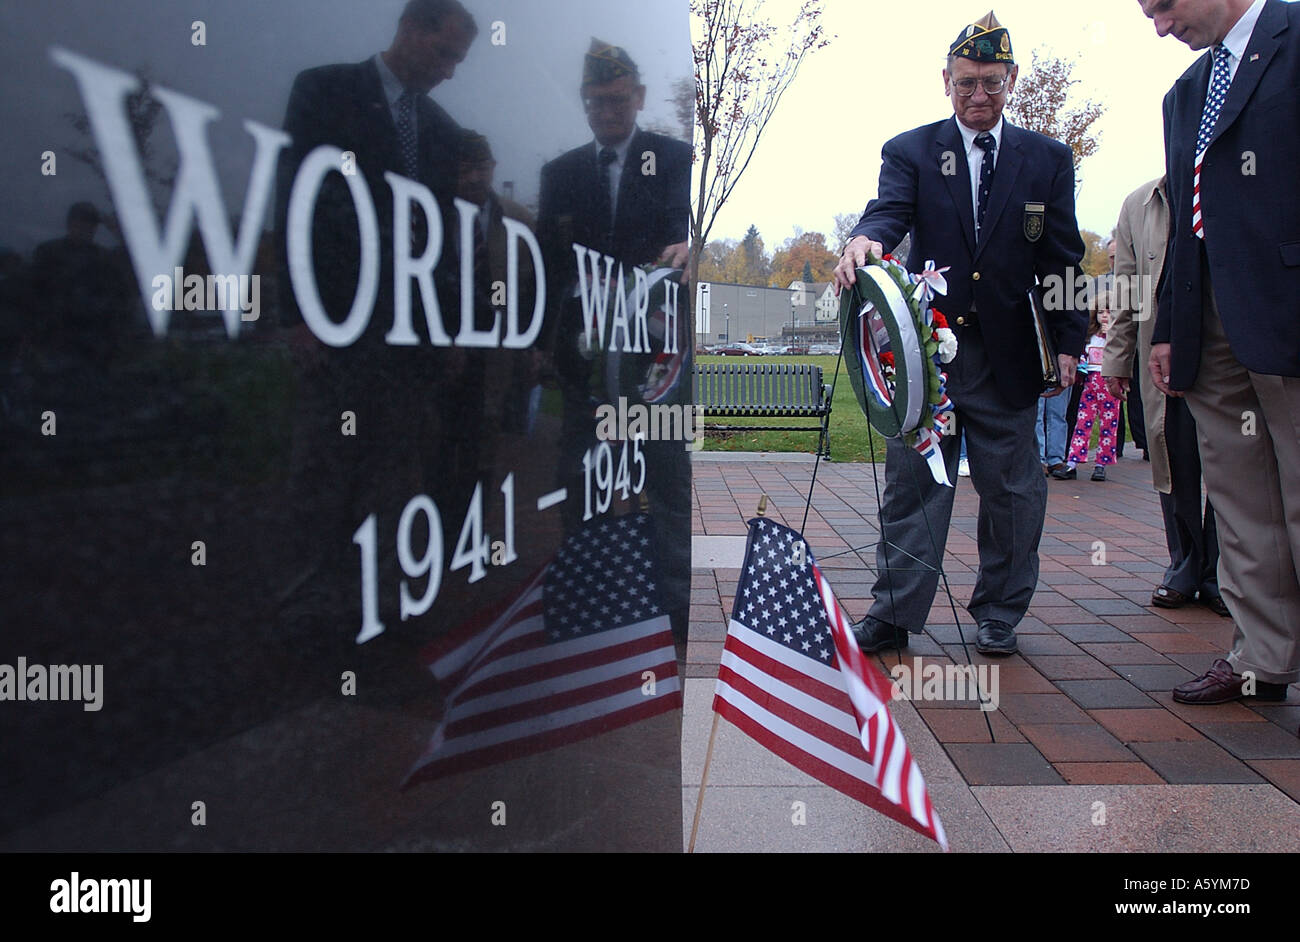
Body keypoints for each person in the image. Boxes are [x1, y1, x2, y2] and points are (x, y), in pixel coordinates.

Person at [833, 11, 1085, 656]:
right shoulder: (910, 151)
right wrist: (866, 240)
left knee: (1013, 491)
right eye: (967, 83)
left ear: (1013, 80)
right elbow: (889, 212)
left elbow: (1061, 259)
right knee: (915, 486)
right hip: (929, 355)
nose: (979, 97)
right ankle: (893, 613)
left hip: (1011, 358)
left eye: (992, 84)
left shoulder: (1049, 160)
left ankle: (999, 612)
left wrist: (1066, 343)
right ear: (945, 80)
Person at [1139, 0, 1299, 705]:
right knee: (1239, 502)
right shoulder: (1185, 93)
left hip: (1286, 312)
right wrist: (1170, 326)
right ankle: (1262, 657)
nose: (1161, 28)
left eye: (1165, 7)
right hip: (1210, 326)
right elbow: (1184, 221)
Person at [536, 39, 694, 644]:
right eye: (595, 102)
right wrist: (538, 342)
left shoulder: (676, 158)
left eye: (618, 100)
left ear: (640, 97)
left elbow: (694, 231)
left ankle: (672, 620)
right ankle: (586, 607)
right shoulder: (562, 173)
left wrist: (694, 246)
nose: (607, 112)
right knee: (582, 479)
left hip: (659, 361)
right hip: (584, 360)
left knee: (666, 486)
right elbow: (548, 269)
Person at [1104, 175, 1226, 616]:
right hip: (1163, 358)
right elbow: (1126, 291)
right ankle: (1185, 563)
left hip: (1228, 354)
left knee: (1232, 465)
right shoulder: (1140, 203)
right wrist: (1117, 359)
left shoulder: (1230, 180)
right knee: (1173, 458)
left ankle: (1220, 572)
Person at [1064, 302, 1121, 481]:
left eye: (1109, 312)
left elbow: (1121, 354)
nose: (1104, 315)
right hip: (1090, 385)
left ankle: (1101, 464)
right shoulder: (1089, 338)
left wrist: (1110, 333)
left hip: (1109, 386)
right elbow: (1083, 359)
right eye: (1101, 312)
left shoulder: (1116, 338)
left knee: (1108, 425)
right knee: (1082, 422)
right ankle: (1072, 462)